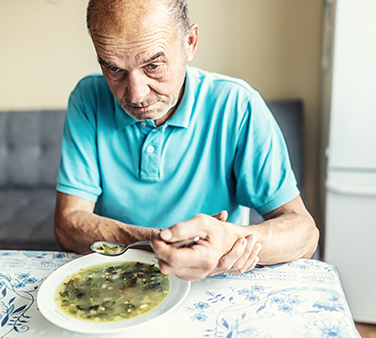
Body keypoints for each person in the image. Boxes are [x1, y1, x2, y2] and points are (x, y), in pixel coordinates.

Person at [54, 0, 319, 281]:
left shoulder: (238, 105)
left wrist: (229, 238)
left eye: (153, 65)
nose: (135, 94)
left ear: (190, 42)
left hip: (211, 284)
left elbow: (304, 233)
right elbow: (68, 225)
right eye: (114, 69)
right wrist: (160, 242)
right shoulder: (88, 98)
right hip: (120, 280)